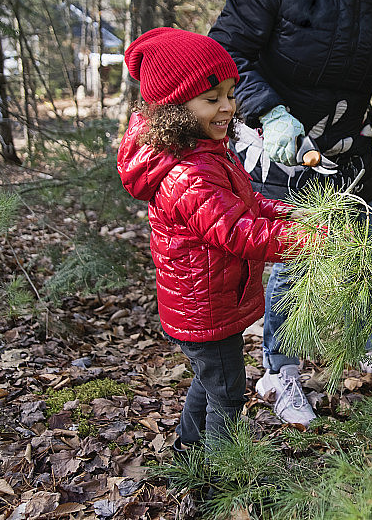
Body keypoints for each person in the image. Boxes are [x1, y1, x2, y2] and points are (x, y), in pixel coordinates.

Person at [209, 0, 372, 426]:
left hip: (349, 139)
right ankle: (281, 371)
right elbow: (225, 49)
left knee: (364, 248)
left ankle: (366, 348)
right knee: (294, 255)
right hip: (277, 139)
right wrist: (268, 111)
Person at [116, 27, 316, 453]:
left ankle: (187, 455)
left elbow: (245, 203)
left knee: (209, 384)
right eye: (212, 99)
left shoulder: (206, 149)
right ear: (174, 108)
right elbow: (236, 232)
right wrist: (306, 239)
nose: (227, 106)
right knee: (226, 392)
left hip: (209, 301)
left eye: (229, 93)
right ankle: (220, 478)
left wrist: (293, 214)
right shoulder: (188, 173)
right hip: (201, 308)